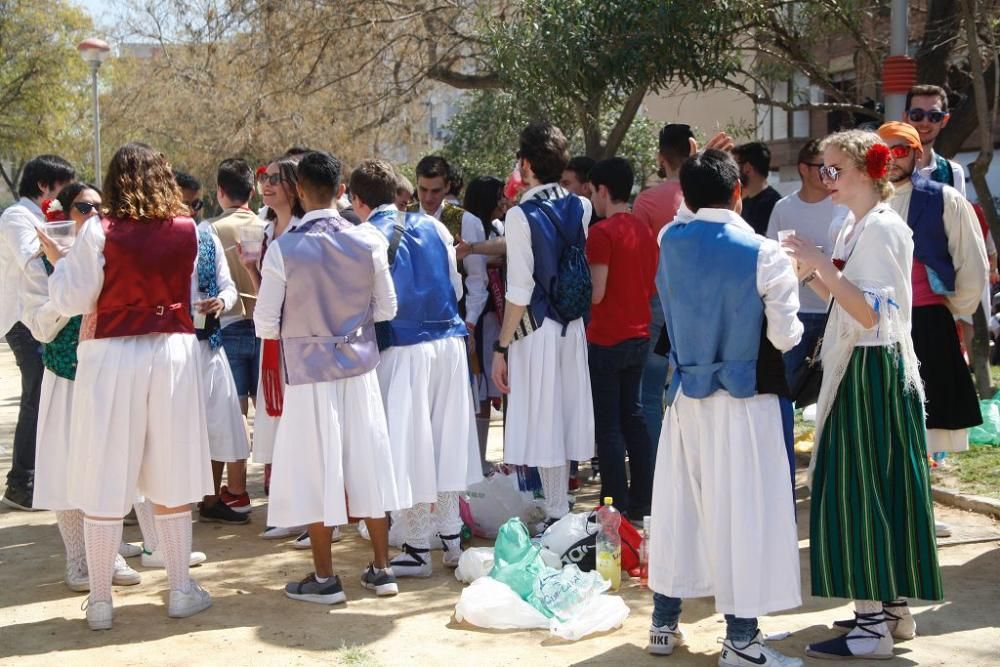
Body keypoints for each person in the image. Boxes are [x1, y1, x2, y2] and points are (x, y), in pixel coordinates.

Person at [785, 129, 942, 660]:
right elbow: (847, 300)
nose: (825, 178)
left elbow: (873, 312)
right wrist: (811, 270)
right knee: (874, 483)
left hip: (872, 365)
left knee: (856, 487)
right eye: (823, 168)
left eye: (834, 169)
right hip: (862, 362)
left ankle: (872, 623)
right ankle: (890, 612)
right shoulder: (854, 224)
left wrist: (819, 265)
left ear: (864, 172)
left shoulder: (880, 228)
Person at [645, 148, 803, 666]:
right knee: (744, 513)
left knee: (679, 509)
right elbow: (785, 337)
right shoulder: (764, 253)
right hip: (744, 399)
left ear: (684, 195)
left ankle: (664, 625)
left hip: (685, 397)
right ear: (740, 190)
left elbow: (685, 220)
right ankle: (741, 640)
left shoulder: (670, 240)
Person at [47, 142, 213, 629]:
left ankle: (100, 600)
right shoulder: (188, 229)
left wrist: (61, 259)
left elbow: (75, 298)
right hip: (172, 350)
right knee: (172, 466)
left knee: (104, 468)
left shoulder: (99, 230)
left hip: (113, 351)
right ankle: (180, 588)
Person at [254, 151, 401, 604]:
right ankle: (381, 568)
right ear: (341, 190)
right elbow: (388, 309)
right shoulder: (369, 240)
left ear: (298, 189)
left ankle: (324, 578)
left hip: (309, 374)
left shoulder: (283, 248)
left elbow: (264, 323)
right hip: (358, 370)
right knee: (369, 462)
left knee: (315, 470)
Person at [350, 158, 481, 577]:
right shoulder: (436, 227)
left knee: (408, 445)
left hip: (402, 348)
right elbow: (456, 286)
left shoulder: (365, 235)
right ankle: (452, 538)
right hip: (449, 342)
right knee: (447, 440)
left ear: (357, 200)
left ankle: (417, 547)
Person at [25, 184, 141, 592]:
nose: (93, 213)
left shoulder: (108, 253)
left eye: (99, 207)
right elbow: (39, 325)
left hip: (104, 371)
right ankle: (78, 559)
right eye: (83, 206)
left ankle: (105, 556)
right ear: (64, 213)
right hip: (65, 375)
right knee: (64, 466)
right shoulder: (39, 262)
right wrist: (65, 276)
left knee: (105, 464)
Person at [876, 121, 987, 538]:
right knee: (883, 421)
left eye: (900, 150)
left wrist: (949, 311)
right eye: (882, 152)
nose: (891, 159)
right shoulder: (862, 204)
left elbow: (971, 264)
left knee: (926, 420)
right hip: (877, 327)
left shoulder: (944, 199)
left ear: (918, 153)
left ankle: (919, 509)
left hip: (926, 321)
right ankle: (889, 510)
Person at [491, 122, 595, 527]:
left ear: (527, 163)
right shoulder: (581, 206)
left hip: (535, 327)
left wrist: (501, 346)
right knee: (563, 415)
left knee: (544, 418)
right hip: (571, 325)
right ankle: (558, 508)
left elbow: (518, 290)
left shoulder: (521, 216)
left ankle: (556, 512)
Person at [0, 154, 75, 511]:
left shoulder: (40, 217)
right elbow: (35, 256)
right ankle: (21, 482)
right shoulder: (18, 216)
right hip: (23, 320)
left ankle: (37, 478)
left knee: (42, 395)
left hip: (44, 316)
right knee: (36, 395)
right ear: (44, 186)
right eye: (63, 186)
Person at [585, 157, 657, 520]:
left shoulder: (601, 233)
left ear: (602, 190)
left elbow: (596, 293)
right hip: (639, 333)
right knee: (635, 417)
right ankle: (643, 500)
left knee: (609, 426)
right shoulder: (643, 229)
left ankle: (614, 503)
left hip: (606, 337)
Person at [241, 155, 308, 541]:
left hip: (299, 341)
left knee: (298, 422)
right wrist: (251, 269)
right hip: (272, 340)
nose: (266, 186)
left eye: (275, 180)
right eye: (263, 178)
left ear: (295, 187)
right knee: (276, 421)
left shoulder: (303, 229)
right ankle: (288, 508)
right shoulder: (267, 231)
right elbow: (267, 289)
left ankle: (306, 510)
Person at [766, 139, 852, 390]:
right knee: (789, 386)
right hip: (797, 309)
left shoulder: (842, 207)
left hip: (836, 309)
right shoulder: (783, 208)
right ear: (803, 169)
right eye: (823, 168)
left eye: (834, 169)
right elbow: (773, 257)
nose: (830, 176)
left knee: (834, 387)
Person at [632, 124, 693, 452]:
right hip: (699, 304)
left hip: (656, 303)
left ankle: (658, 466)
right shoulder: (704, 195)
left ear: (661, 157)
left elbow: (638, 260)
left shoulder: (646, 201)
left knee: (650, 393)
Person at [193, 204, 252, 525]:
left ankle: (211, 499)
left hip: (208, 342)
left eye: (191, 205)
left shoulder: (207, 241)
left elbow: (228, 286)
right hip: (169, 346)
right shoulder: (153, 242)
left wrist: (222, 302)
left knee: (218, 420)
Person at [206, 158, 259, 513]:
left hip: (230, 324)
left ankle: (228, 490)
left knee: (231, 410)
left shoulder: (209, 229)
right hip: (266, 327)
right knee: (270, 412)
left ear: (220, 192)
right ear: (252, 191)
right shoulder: (266, 224)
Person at [409, 155, 488, 345]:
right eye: (423, 189)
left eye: (435, 191)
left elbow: (477, 279)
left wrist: (470, 323)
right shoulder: (401, 218)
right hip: (409, 326)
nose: (428, 197)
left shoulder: (467, 222)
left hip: (453, 323)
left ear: (447, 186)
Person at [462, 175, 508, 474]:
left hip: (498, 316)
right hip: (480, 319)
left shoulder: (500, 227)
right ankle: (477, 460)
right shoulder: (473, 226)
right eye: (499, 195)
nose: (504, 200)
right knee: (478, 388)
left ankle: (498, 459)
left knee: (497, 388)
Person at [904, 84, 966, 196]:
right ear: (905, 118)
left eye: (934, 116)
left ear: (944, 120)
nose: (925, 122)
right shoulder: (888, 169)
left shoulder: (953, 173)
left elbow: (958, 214)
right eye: (917, 114)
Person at [733, 142, 781, 236]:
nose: (731, 171)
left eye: (734, 165)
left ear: (748, 168)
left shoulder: (775, 206)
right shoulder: (741, 204)